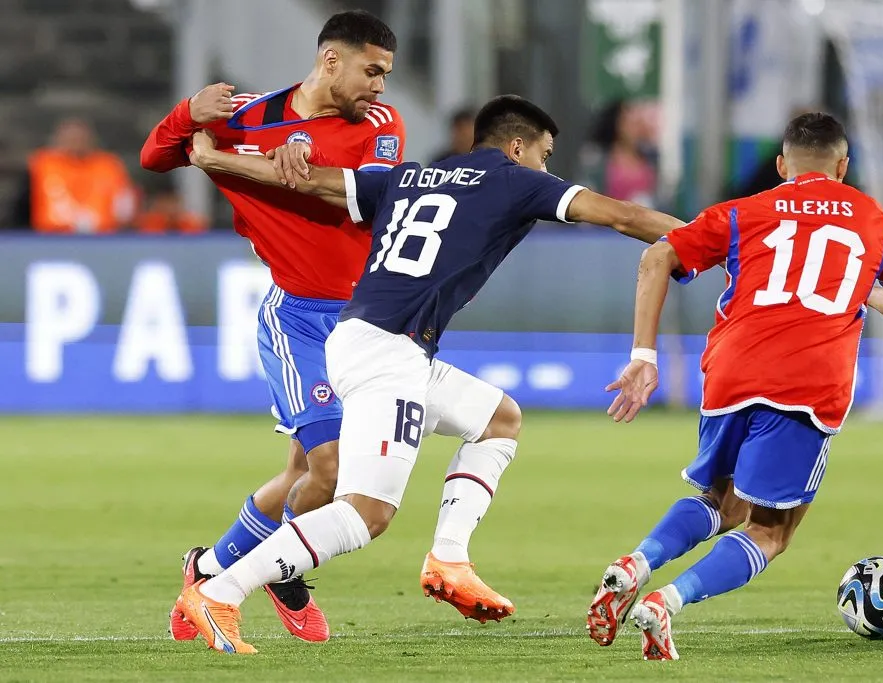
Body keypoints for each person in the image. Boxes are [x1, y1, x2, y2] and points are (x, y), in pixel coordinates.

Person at [176, 94, 688, 654]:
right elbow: (626, 216)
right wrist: (719, 242)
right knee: (365, 514)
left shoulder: (411, 175)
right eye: (545, 154)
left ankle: (449, 557)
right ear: (517, 148)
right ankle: (221, 590)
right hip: (386, 353)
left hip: (374, 342)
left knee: (499, 418)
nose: (548, 169)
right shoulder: (517, 180)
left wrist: (215, 158)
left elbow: (311, 180)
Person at [586, 113, 883, 660]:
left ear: (781, 165)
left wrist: (643, 357)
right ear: (843, 166)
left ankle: (635, 564)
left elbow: (657, 255)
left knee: (723, 502)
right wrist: (861, 290)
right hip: (807, 383)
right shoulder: (875, 221)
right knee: (771, 530)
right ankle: (664, 602)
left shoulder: (748, 211)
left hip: (731, 370)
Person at [140, 10, 406, 643]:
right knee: (334, 465)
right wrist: (188, 114)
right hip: (301, 318)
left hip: (367, 320)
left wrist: (278, 158)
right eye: (372, 71)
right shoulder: (249, 117)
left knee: (302, 476)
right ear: (331, 61)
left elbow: (373, 191)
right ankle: (278, 576)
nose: (381, 87)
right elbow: (156, 158)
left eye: (387, 74)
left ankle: (205, 569)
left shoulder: (380, 124)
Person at [10, 117, 136, 233]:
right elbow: (22, 205)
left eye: (81, 138)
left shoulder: (109, 165)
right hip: (50, 236)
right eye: (71, 138)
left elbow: (125, 203)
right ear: (58, 139)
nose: (76, 142)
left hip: (103, 236)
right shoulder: (41, 164)